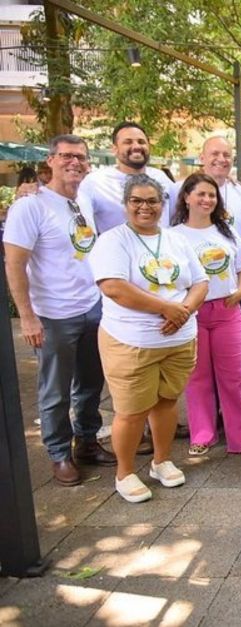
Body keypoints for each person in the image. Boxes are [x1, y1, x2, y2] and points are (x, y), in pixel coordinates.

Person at [89, 174, 208, 503]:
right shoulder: (113, 241)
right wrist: (168, 309)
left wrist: (182, 310)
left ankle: (160, 461)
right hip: (131, 342)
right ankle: (124, 472)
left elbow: (200, 282)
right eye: (137, 201)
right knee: (130, 411)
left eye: (152, 201)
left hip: (179, 341)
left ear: (163, 203)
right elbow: (113, 287)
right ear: (126, 205)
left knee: (167, 402)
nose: (145, 207)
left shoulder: (175, 240)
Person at [3, 135, 114, 486]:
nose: (74, 163)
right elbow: (15, 264)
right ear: (50, 161)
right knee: (55, 390)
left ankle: (86, 440)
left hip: (91, 309)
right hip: (53, 315)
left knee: (91, 384)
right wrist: (28, 316)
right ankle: (58, 453)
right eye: (66, 156)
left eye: (80, 157)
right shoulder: (30, 206)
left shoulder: (82, 199)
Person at [171, 173, 241, 457]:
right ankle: (202, 435)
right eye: (200, 194)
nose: (207, 200)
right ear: (186, 197)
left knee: (235, 376)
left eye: (212, 195)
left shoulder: (225, 230)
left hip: (227, 310)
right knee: (197, 377)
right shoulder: (174, 235)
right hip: (193, 314)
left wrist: (240, 291)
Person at [79, 121, 175, 234]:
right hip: (117, 249)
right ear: (114, 149)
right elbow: (84, 224)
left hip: (161, 249)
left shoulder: (161, 177)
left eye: (141, 142)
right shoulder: (94, 182)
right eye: (128, 142)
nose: (136, 146)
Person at [171, 136, 241, 237]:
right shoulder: (179, 189)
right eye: (215, 154)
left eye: (226, 155)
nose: (221, 159)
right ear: (202, 158)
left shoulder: (240, 192)